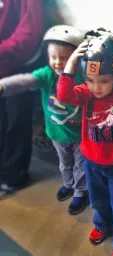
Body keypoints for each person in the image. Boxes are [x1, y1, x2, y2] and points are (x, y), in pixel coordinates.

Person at [57, 35, 113, 256]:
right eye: (90, 80)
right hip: (92, 162)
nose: (96, 87)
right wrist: (71, 64)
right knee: (99, 202)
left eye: (103, 81)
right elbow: (64, 95)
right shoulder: (85, 93)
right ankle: (102, 225)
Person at [0, 25, 89, 215]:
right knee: (65, 163)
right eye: (53, 57)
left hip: (82, 136)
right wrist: (3, 86)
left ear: (76, 57)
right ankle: (68, 184)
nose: (57, 62)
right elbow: (25, 80)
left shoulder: (83, 77)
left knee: (81, 166)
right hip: (58, 134)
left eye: (64, 57)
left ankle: (81, 192)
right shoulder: (46, 75)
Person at [0, 0, 44, 193]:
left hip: (19, 63)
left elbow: (29, 33)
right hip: (4, 61)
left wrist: (2, 49)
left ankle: (14, 175)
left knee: (16, 119)